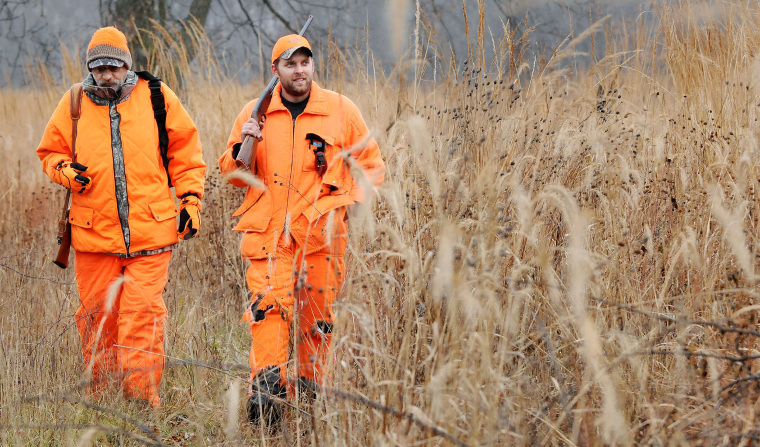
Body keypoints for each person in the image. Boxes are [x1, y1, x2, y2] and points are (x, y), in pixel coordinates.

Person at [219, 34, 385, 426]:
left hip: (322, 238)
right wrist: (245, 143)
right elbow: (231, 174)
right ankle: (267, 398)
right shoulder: (254, 111)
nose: (299, 70)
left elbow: (372, 164)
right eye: (290, 64)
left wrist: (351, 205)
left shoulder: (341, 110)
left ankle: (311, 400)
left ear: (313, 66)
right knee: (268, 313)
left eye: (305, 63)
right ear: (275, 70)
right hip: (270, 237)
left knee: (318, 325)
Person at [37, 26, 206, 408]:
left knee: (142, 316)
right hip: (94, 235)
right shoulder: (74, 102)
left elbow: (187, 155)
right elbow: (50, 152)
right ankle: (103, 399)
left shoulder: (157, 96)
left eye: (113, 66)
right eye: (98, 67)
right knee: (97, 318)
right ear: (90, 69)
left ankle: (142, 399)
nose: (106, 74)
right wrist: (66, 172)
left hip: (153, 230)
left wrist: (191, 202)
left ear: (127, 64)